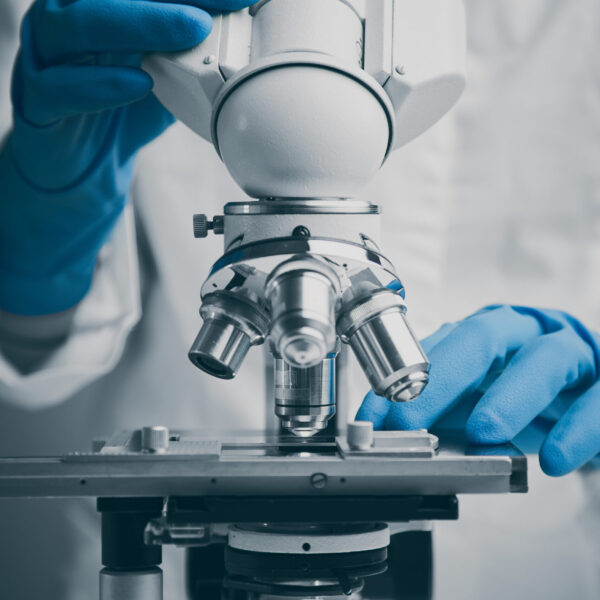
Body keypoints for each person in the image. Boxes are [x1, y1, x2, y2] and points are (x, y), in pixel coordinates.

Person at [0, 0, 598, 598]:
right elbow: (35, 346)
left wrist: (588, 376)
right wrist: (40, 220)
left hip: (520, 566)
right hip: (171, 567)